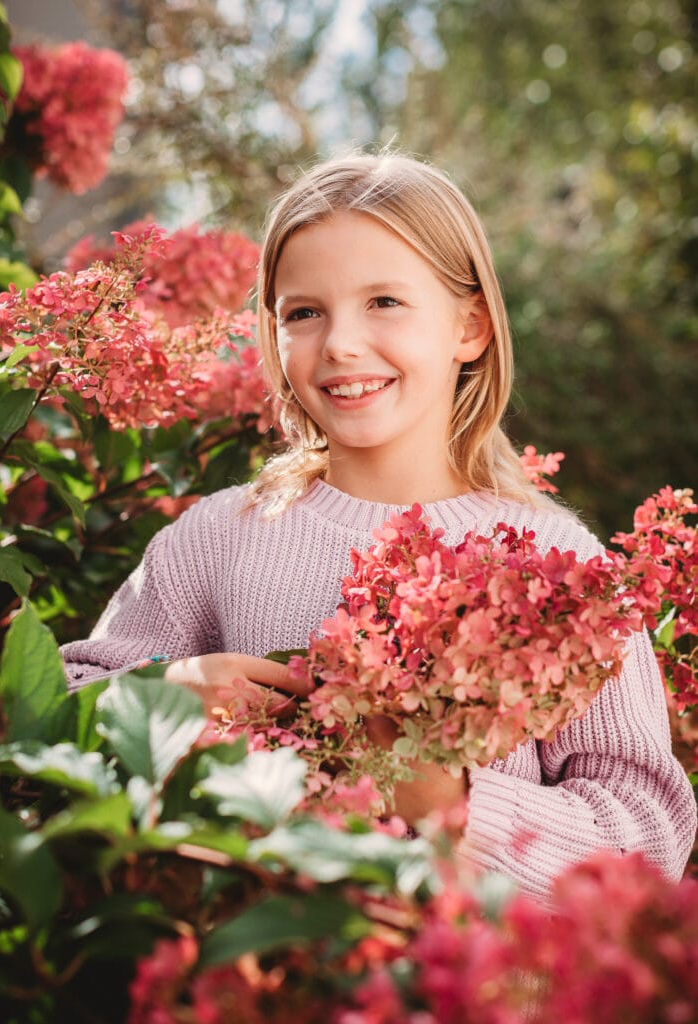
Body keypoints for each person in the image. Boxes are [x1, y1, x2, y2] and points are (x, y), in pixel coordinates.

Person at [61, 152, 696, 902]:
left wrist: (458, 809)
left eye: (384, 302)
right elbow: (60, 705)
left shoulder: (561, 564)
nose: (338, 344)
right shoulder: (214, 539)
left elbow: (647, 835)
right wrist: (164, 697)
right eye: (303, 312)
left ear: (470, 327)